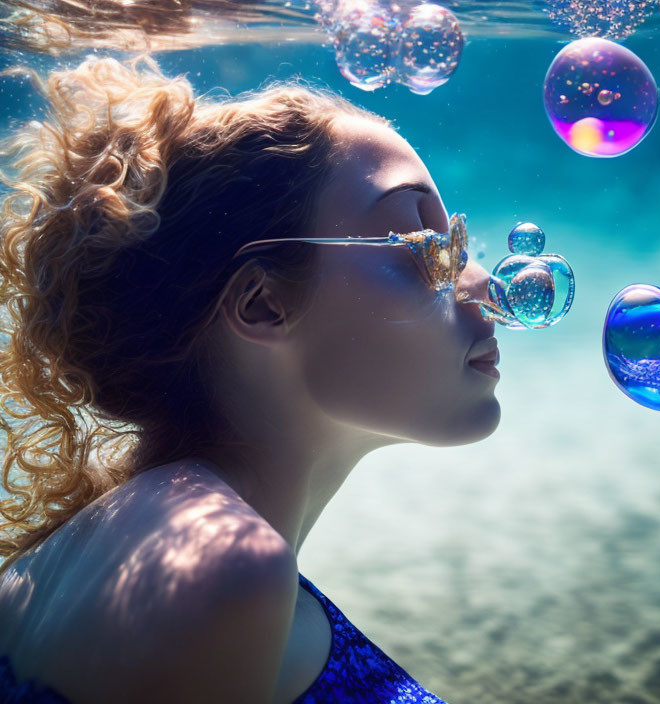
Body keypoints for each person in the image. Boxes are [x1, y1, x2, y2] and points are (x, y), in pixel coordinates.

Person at [0, 54, 501, 703]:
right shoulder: (221, 567)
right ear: (262, 305)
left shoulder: (141, 536)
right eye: (422, 245)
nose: (482, 283)